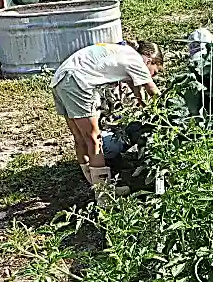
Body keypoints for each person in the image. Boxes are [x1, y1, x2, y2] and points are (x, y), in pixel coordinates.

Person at [51, 40, 162, 194]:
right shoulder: (137, 60)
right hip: (77, 81)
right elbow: (152, 91)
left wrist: (146, 107)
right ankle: (104, 195)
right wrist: (167, 112)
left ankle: (93, 182)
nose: (152, 76)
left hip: (61, 79)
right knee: (94, 139)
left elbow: (139, 94)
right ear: (149, 60)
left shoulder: (124, 53)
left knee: (80, 138)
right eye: (154, 71)